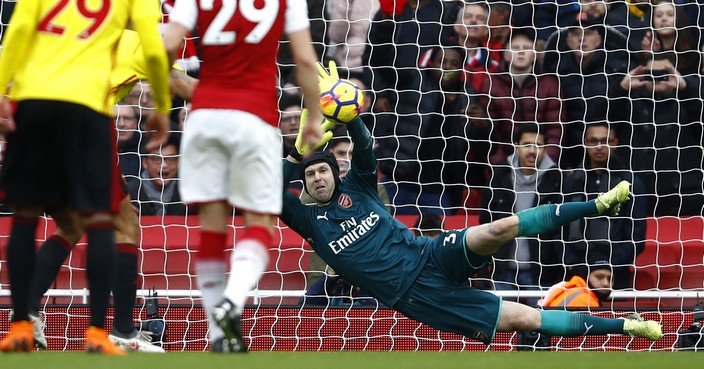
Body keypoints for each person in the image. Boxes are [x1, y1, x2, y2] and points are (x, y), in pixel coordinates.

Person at [280, 67, 663, 346]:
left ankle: (598, 203)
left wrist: (354, 117)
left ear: (336, 174)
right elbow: (274, 194)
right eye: (310, 174)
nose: (317, 177)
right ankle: (627, 326)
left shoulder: (359, 188)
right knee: (526, 317)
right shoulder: (309, 220)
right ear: (306, 183)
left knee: (498, 228)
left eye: (323, 170)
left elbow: (363, 147)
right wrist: (296, 152)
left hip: (428, 254)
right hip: (417, 296)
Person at [0, 0, 171, 355]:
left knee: (36, 219)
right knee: (113, 223)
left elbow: (15, 35)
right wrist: (170, 108)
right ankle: (114, 331)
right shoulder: (128, 37)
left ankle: (22, 318)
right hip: (88, 117)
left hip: (31, 105)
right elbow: (165, 64)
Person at [163, 0, 324, 353]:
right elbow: (306, 60)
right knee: (260, 222)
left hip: (204, 116)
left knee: (211, 227)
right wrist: (313, 115)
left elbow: (167, 43)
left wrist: (162, 100)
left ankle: (218, 335)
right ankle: (231, 303)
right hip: (254, 117)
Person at [23, 29, 197, 353]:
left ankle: (28, 314)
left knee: (75, 225)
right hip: (84, 129)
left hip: (45, 129)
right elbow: (182, 84)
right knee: (124, 224)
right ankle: (123, 330)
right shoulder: (131, 40)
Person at [479, 124, 563, 303]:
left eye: (538, 145)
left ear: (546, 149)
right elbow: (485, 224)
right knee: (500, 327)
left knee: (542, 325)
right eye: (526, 144)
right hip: (502, 270)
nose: (532, 150)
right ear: (516, 145)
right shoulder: (499, 176)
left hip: (541, 273)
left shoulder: (557, 180)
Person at [562, 122, 647, 289]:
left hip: (616, 275)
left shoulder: (631, 183)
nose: (599, 146)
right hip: (575, 273)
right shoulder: (571, 182)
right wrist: (573, 263)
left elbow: (636, 237)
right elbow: (560, 230)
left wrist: (607, 264)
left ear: (614, 143)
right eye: (593, 141)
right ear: (585, 143)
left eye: (605, 141)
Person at [478, 27, 563, 165]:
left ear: (534, 54)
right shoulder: (490, 86)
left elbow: (555, 130)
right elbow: (492, 134)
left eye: (526, 47)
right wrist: (501, 166)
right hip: (504, 165)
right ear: (505, 54)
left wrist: (548, 164)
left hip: (543, 162)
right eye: (515, 47)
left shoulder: (551, 85)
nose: (521, 51)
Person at [129, 134, 189, 216]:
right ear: (145, 162)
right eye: (156, 159)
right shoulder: (129, 194)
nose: (164, 165)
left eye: (170, 159)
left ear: (178, 162)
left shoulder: (189, 193)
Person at [538, 255, 613, 308]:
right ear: (586, 276)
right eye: (599, 277)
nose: (606, 283)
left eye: (610, 278)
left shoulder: (571, 290)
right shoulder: (585, 301)